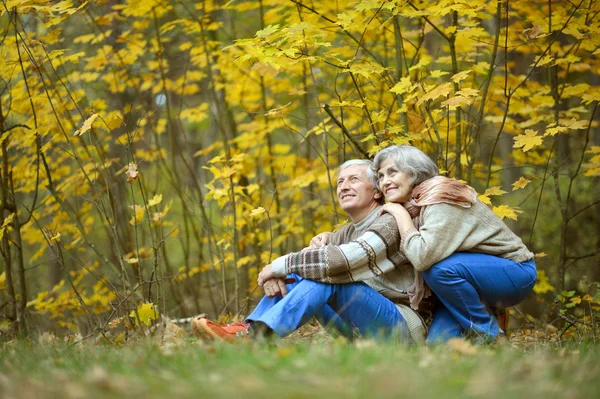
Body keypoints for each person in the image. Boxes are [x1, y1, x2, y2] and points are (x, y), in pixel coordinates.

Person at [192, 160, 435, 344]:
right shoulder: (344, 233)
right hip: (357, 328)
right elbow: (310, 264)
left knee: (329, 277)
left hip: (402, 328)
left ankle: (254, 337)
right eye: (340, 182)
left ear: (376, 191)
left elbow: (339, 261)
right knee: (306, 272)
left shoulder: (390, 220)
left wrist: (278, 265)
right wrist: (279, 276)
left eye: (353, 180)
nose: (344, 186)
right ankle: (247, 331)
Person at [373, 145, 537, 342]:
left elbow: (422, 257)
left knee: (437, 269)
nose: (385, 182)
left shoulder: (441, 198)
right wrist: (331, 237)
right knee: (438, 344)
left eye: (392, 172)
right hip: (473, 278)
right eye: (381, 176)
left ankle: (488, 335)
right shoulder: (415, 206)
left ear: (414, 172)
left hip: (515, 272)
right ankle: (486, 312)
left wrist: (400, 215)